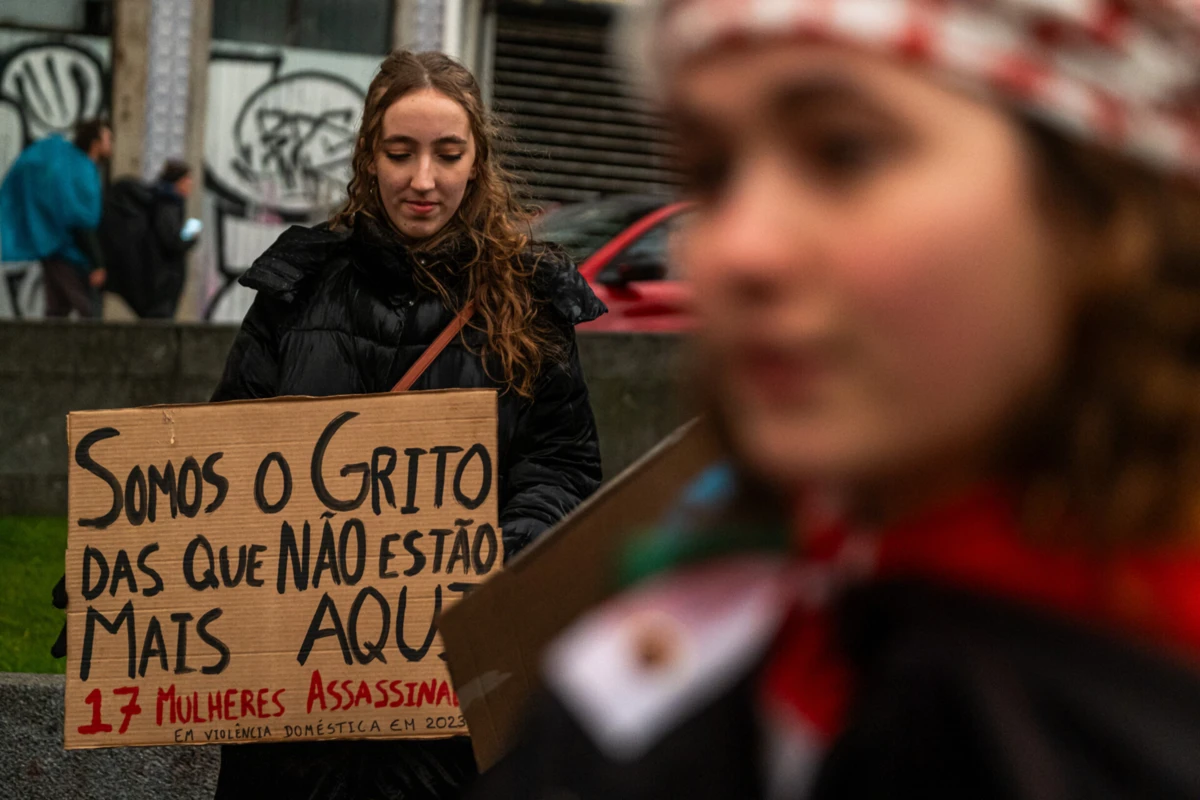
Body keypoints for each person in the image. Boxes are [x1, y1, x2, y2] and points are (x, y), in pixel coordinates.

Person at [472, 1, 1200, 798]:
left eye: (844, 151)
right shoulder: (678, 665)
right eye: (710, 172)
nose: (734, 248)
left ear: (1101, 204)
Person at [210, 50, 606, 800]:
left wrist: (495, 557)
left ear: (477, 162)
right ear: (369, 156)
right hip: (293, 724)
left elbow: (563, 467)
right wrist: (135, 572)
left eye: (447, 154)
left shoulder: (532, 301)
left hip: (448, 718)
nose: (423, 180)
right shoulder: (296, 291)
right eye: (400, 152)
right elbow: (224, 460)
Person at [0, 118, 110, 317]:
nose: (111, 144)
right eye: (108, 139)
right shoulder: (82, 170)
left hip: (54, 248)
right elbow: (80, 219)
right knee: (85, 309)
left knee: (57, 310)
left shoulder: (71, 164)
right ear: (95, 143)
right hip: (67, 252)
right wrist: (97, 262)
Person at [100, 159, 200, 318]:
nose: (191, 185)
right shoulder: (168, 204)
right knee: (159, 322)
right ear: (179, 181)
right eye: (188, 180)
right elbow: (171, 240)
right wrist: (192, 237)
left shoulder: (160, 201)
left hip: (154, 279)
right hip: (162, 281)